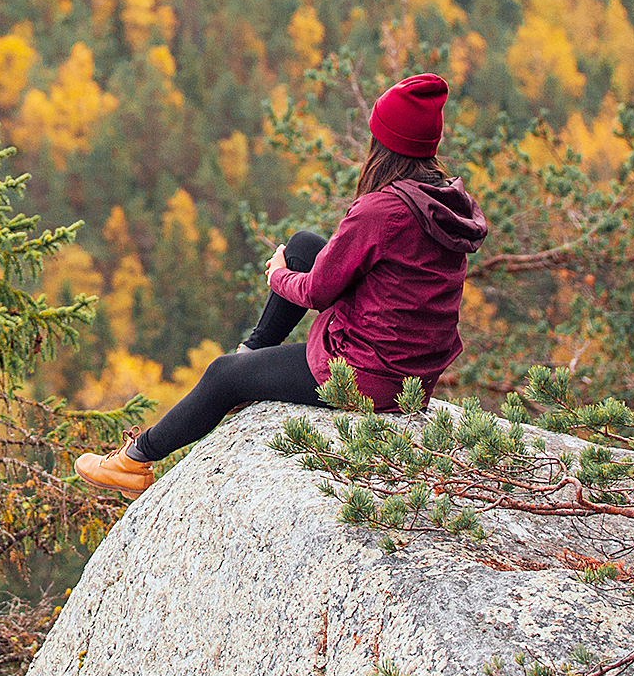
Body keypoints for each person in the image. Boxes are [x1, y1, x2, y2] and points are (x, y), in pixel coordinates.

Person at [75, 73, 487, 497]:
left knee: (221, 375)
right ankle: (251, 358)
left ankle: (134, 461)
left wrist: (277, 274)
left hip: (367, 374)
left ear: (384, 144)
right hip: (412, 370)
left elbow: (317, 292)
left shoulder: (383, 210)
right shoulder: (442, 201)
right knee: (306, 245)